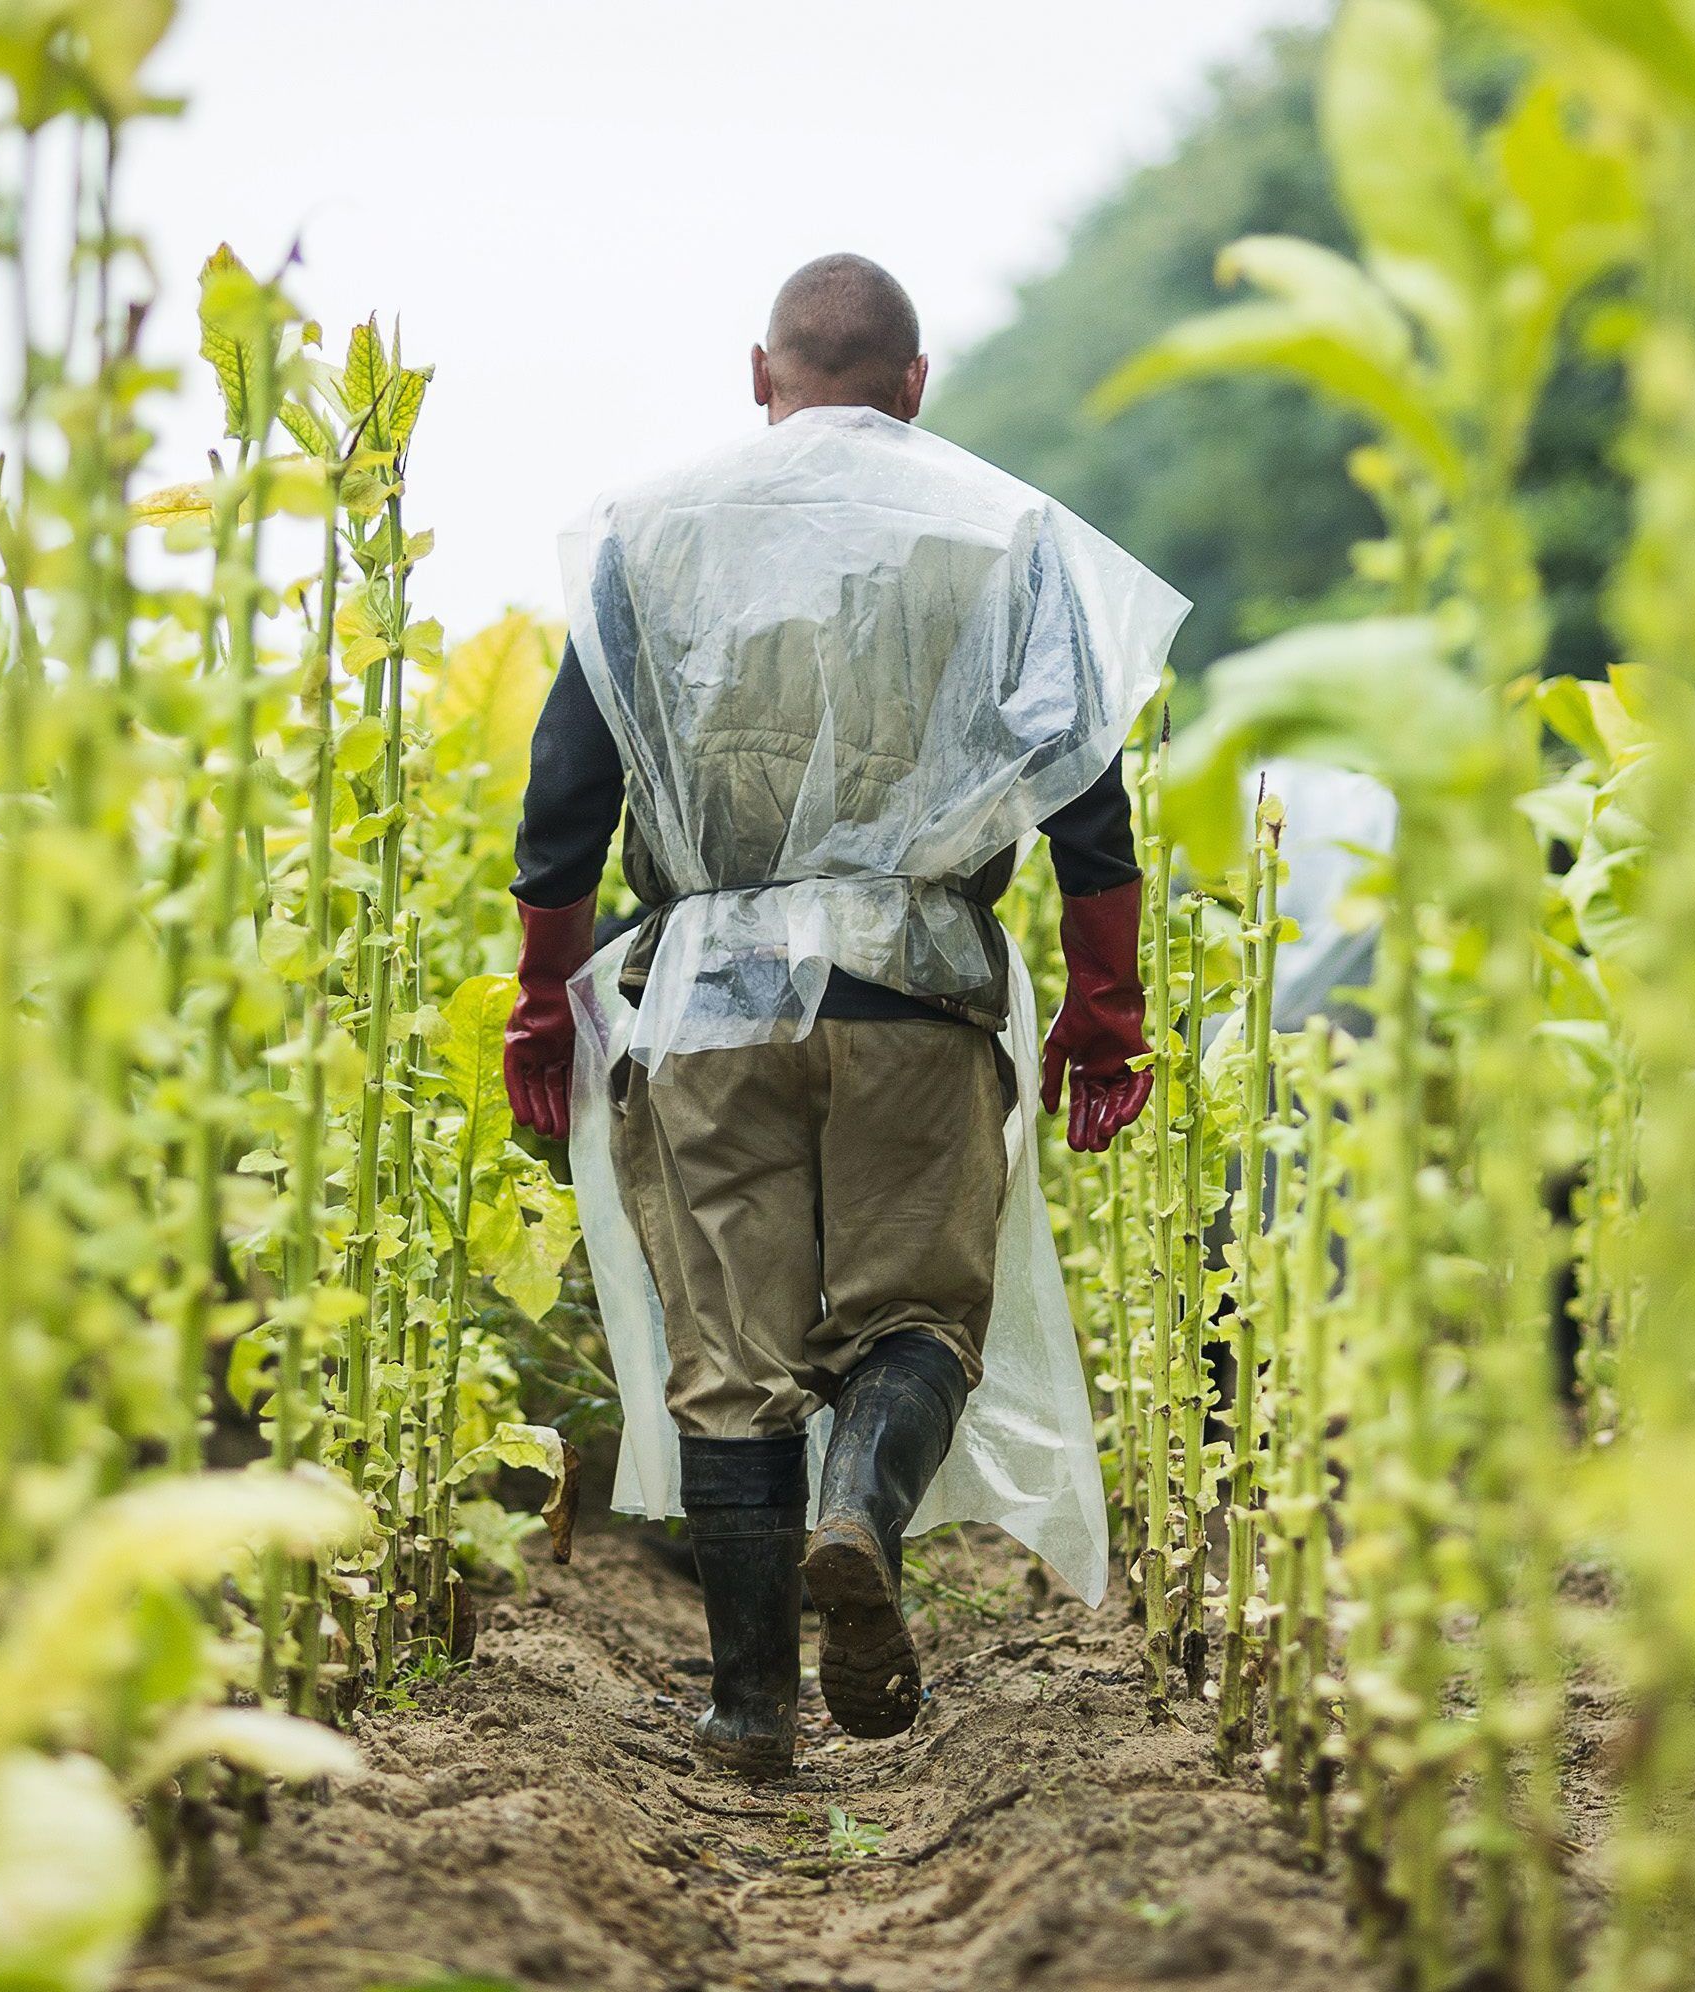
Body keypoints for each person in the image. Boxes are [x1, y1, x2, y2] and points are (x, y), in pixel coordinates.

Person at [498, 254, 1185, 1777]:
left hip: (708, 1007)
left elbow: (563, 810)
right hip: (919, 998)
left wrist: (547, 1009)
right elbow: (1089, 805)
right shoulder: (1000, 535)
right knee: (919, 1320)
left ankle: (750, 1712)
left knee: (730, 1361)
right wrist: (1105, 1008)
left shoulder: (648, 537)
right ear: (914, 386)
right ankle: (862, 1509)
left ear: (764, 376)